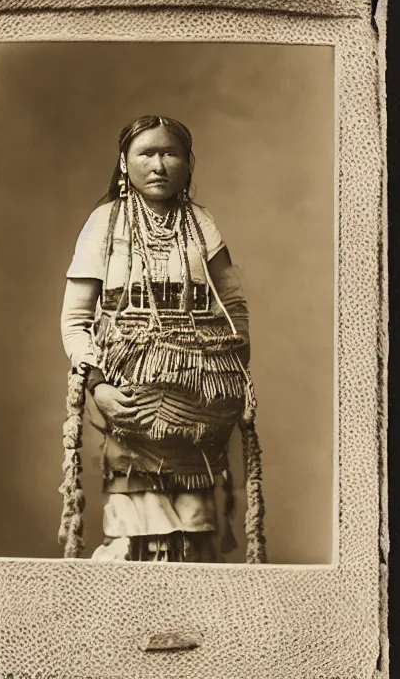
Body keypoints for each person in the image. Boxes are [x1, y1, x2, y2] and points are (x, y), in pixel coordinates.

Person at [59, 115, 265, 564]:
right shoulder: (104, 222)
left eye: (170, 153)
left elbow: (234, 305)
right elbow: (76, 319)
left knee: (195, 532)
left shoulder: (201, 223)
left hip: (198, 411)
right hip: (127, 399)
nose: (159, 164)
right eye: (146, 153)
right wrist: (98, 386)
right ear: (123, 161)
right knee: (136, 532)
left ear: (189, 163)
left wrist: (229, 377)